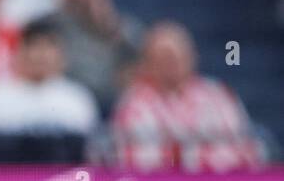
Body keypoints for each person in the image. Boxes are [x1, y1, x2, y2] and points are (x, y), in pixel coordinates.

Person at [111, 21, 262, 171]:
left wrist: (182, 156)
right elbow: (137, 161)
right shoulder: (134, 103)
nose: (172, 64)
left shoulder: (218, 95)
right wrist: (196, 156)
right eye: (164, 57)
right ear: (148, 63)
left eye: (178, 56)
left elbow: (245, 150)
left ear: (193, 56)